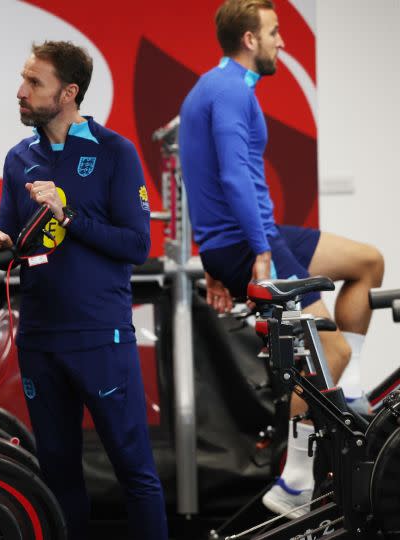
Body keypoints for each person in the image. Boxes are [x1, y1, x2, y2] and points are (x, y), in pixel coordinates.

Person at [178, 0, 385, 519]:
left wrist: (214, 259)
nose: (282, 42)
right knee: (326, 352)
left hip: (249, 237)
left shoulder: (218, 86)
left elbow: (203, 177)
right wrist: (259, 254)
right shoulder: (228, 90)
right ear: (249, 39)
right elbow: (228, 177)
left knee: (367, 262)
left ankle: (354, 388)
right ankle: (294, 481)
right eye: (274, 32)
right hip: (250, 242)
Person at [0, 41, 168, 540]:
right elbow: (14, 236)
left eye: (33, 83)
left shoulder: (115, 152)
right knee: (58, 476)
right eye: (23, 80)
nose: (20, 92)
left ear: (69, 92)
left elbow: (136, 245)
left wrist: (69, 215)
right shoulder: (19, 157)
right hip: (39, 340)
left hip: (99, 338)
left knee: (135, 471)